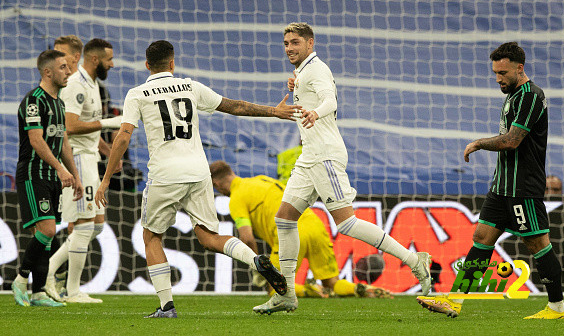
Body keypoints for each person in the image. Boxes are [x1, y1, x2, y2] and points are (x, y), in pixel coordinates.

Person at [95, 40, 301, 318]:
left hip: (165, 173)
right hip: (198, 171)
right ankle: (255, 260)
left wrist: (106, 178)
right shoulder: (189, 86)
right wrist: (274, 111)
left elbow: (123, 135)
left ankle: (166, 306)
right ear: (172, 63)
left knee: (152, 236)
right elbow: (236, 106)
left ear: (147, 65)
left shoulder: (137, 93)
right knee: (208, 236)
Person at [252, 23, 432, 314]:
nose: (289, 48)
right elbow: (315, 96)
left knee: (346, 223)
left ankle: (414, 260)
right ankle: (286, 293)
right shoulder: (303, 73)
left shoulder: (317, 69)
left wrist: (314, 110)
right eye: (285, 43)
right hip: (308, 156)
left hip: (325, 156)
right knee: (284, 220)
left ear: (310, 43)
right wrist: (298, 92)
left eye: (295, 42)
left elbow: (330, 100)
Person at [417, 42, 564, 320]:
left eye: (503, 72)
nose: (498, 78)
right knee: (482, 238)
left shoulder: (531, 96)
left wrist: (478, 143)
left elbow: (512, 141)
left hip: (522, 188)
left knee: (537, 245)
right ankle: (456, 300)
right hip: (502, 187)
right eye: (495, 72)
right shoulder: (512, 95)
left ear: (519, 68)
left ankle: (557, 308)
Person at [210, 160, 393, 299]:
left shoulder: (236, 199)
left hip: (288, 231)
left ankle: (308, 289)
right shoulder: (261, 180)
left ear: (216, 185)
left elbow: (247, 238)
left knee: (274, 288)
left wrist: (258, 268)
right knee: (332, 282)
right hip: (314, 224)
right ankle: (359, 289)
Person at [44, 38, 123, 304]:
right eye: (109, 59)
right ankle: (69, 288)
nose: (112, 64)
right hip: (76, 160)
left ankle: (49, 276)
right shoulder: (77, 84)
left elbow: (88, 126)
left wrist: (108, 151)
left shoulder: (92, 84)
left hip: (90, 159)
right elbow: (71, 126)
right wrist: (110, 121)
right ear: (94, 59)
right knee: (84, 226)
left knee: (96, 226)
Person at [11, 49, 83, 307]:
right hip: (33, 173)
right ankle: (20, 279)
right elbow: (36, 140)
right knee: (47, 229)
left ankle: (39, 291)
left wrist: (74, 175)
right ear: (48, 72)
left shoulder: (59, 102)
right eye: (63, 67)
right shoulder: (34, 100)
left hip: (53, 175)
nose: (69, 71)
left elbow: (62, 141)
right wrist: (62, 170)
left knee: (48, 235)